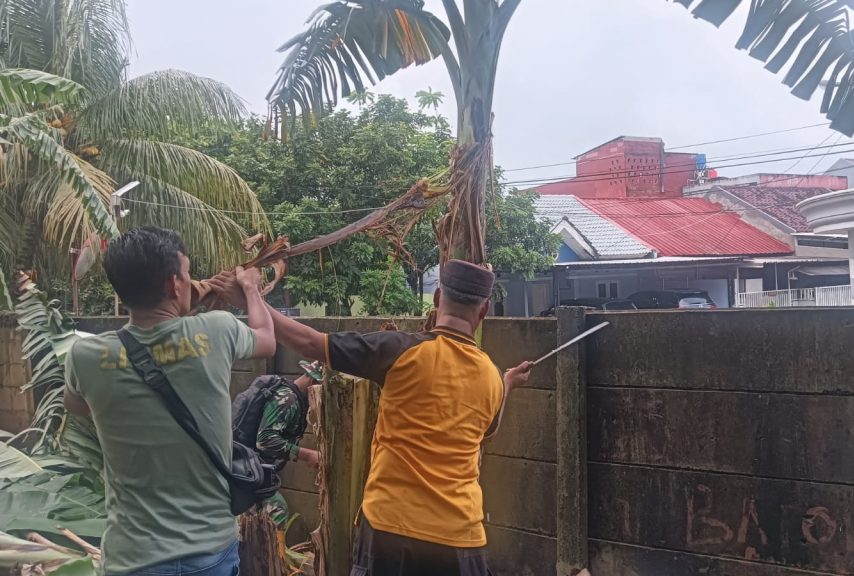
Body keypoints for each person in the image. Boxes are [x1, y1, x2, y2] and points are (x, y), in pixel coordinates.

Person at [213, 259, 533, 576]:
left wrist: (250, 297)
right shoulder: (490, 376)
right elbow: (488, 431)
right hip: (462, 539)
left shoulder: (400, 350)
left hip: (391, 528)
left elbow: (311, 342)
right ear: (485, 310)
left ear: (437, 299)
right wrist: (507, 384)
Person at [63, 227, 276, 576]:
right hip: (210, 553)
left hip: (132, 559)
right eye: (187, 273)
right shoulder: (217, 331)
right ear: (171, 285)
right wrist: (251, 289)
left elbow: (77, 406)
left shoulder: (86, 356)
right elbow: (267, 340)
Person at [237, 361, 323, 531]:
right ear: (314, 384)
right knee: (277, 510)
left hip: (251, 469)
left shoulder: (291, 397)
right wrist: (307, 455)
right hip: (245, 469)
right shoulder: (288, 400)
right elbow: (265, 441)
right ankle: (271, 556)